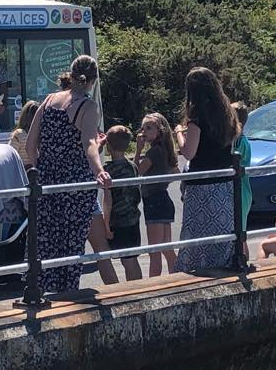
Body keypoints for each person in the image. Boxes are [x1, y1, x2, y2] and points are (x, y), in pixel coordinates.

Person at [28, 55, 109, 295]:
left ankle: (41, 291)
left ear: (71, 75)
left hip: (46, 182)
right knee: (71, 242)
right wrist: (99, 171)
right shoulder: (87, 107)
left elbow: (31, 144)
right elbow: (89, 144)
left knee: (46, 239)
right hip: (76, 184)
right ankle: (67, 292)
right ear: (93, 80)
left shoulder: (49, 100)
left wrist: (42, 169)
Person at [175, 66, 239, 272]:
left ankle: (195, 269)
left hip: (201, 185)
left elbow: (189, 153)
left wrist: (179, 134)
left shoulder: (197, 118)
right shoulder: (226, 114)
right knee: (222, 231)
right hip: (224, 182)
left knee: (197, 234)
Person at [91, 125, 144, 284]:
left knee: (126, 261)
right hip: (133, 219)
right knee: (132, 259)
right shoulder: (132, 166)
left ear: (108, 145)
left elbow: (108, 200)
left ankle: (130, 290)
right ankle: (138, 288)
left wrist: (106, 225)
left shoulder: (108, 171)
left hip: (118, 221)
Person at [136, 111, 179, 276]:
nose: (144, 132)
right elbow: (175, 172)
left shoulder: (153, 152)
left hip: (154, 201)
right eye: (143, 128)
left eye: (149, 128)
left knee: (154, 251)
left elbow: (137, 172)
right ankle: (177, 278)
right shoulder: (166, 150)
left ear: (159, 131)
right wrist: (163, 182)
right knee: (166, 248)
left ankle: (154, 284)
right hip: (163, 199)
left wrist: (138, 151)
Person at [232, 102, 255, 233]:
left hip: (241, 191)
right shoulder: (234, 140)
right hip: (234, 190)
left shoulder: (241, 142)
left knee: (239, 231)